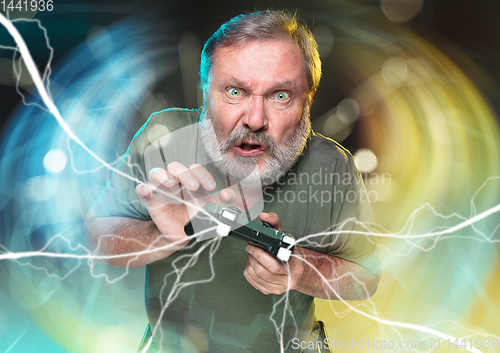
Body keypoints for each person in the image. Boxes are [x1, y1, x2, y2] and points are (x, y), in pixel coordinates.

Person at [85, 10, 381, 353]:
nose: (255, 120)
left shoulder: (332, 165)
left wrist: (301, 270)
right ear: (206, 92)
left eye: (280, 95)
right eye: (235, 91)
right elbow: (95, 239)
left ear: (308, 101)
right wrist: (161, 236)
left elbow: (367, 278)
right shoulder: (164, 140)